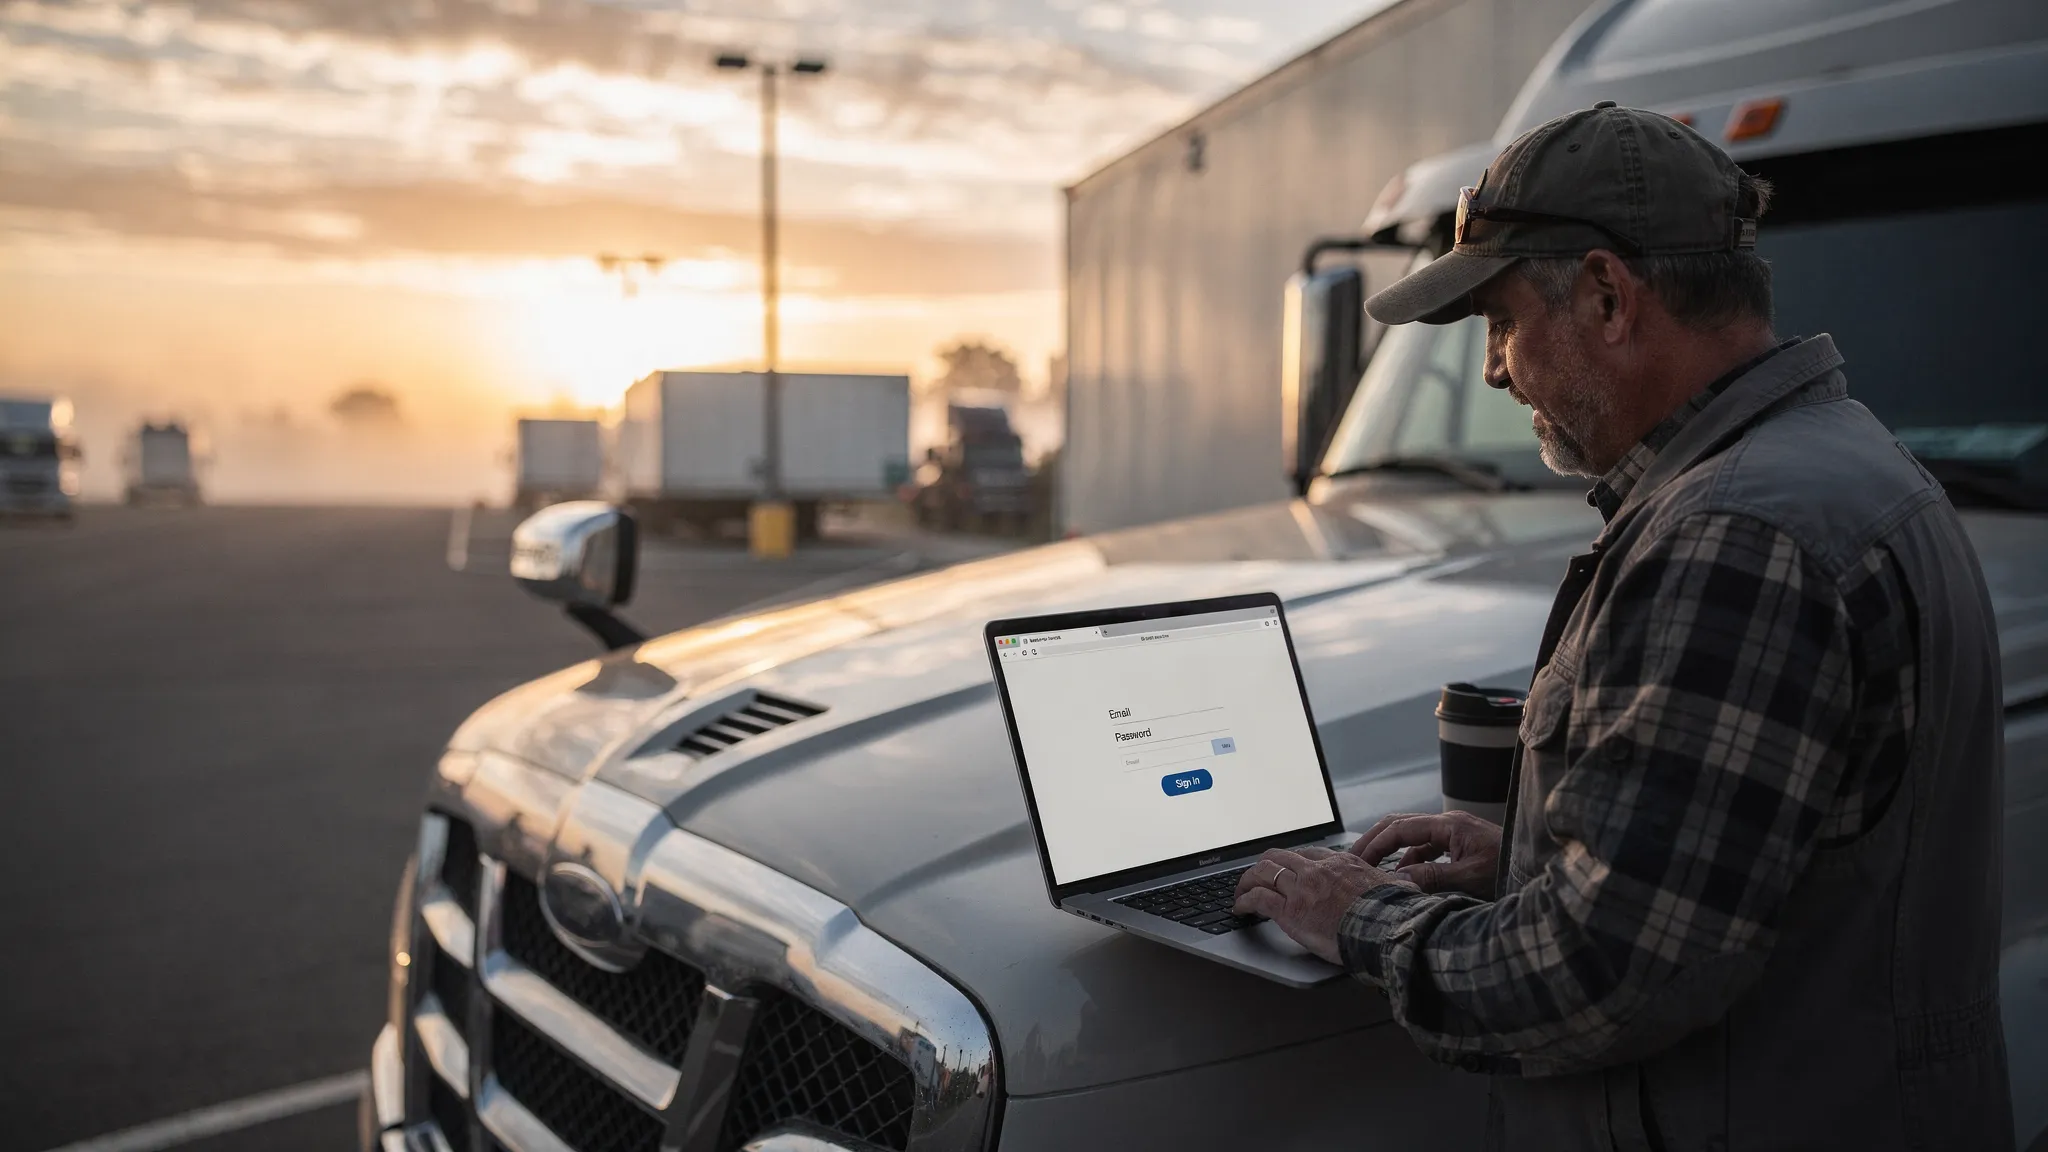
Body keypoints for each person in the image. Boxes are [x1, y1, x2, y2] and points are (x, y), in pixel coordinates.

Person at [1232, 102, 2013, 1150]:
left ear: (1606, 295)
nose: (1497, 370)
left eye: (1502, 323)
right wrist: (1525, 862)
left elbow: (1605, 976)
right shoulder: (1838, 462)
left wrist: (1352, 913)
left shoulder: (1737, 534)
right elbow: (1765, 874)